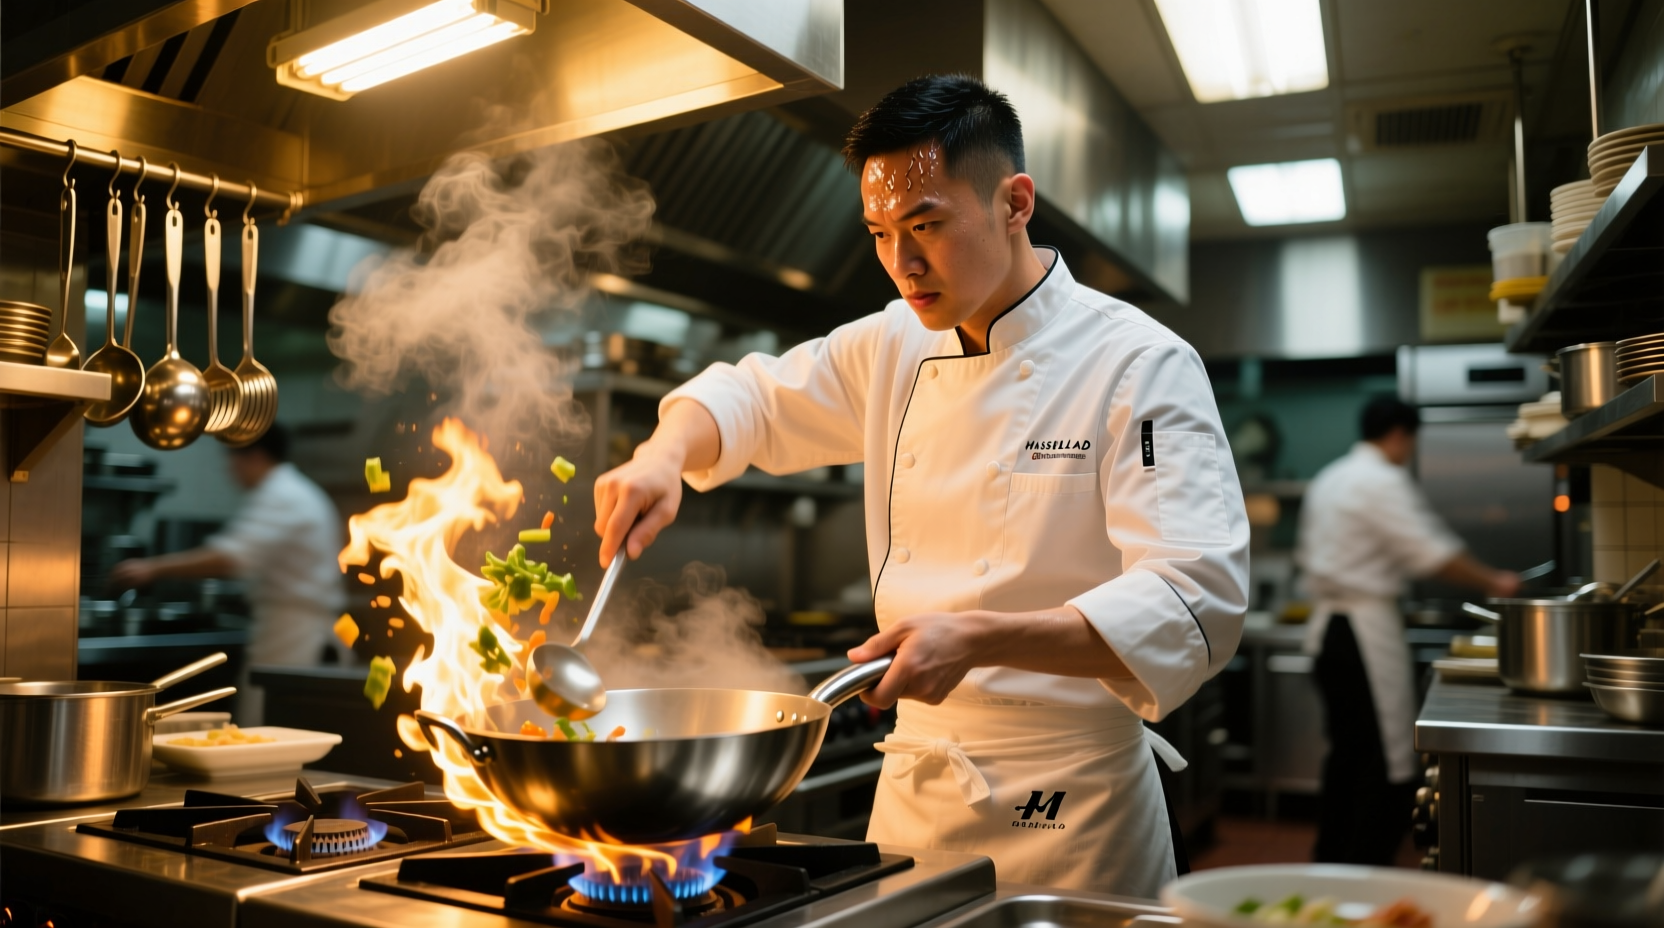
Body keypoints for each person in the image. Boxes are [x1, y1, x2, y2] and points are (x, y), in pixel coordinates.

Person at [590, 75, 1249, 897]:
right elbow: (752, 399)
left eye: (926, 225)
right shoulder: (896, 343)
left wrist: (980, 637)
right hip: (917, 791)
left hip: (1073, 803)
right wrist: (662, 452)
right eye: (878, 232)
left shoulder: (1138, 363)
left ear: (1015, 203)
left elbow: (1195, 599)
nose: (902, 263)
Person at [1296, 396, 1520, 865]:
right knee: (1381, 760)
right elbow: (1429, 553)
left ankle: (1331, 859)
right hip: (1361, 634)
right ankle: (1362, 868)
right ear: (1399, 434)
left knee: (1347, 755)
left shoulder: (1331, 476)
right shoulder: (1379, 480)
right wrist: (1495, 581)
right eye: (1411, 442)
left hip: (1327, 634)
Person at [109, 425, 347, 724]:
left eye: (232, 460)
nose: (230, 470)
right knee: (273, 725)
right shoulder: (294, 489)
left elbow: (230, 558)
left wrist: (152, 568)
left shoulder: (283, 493)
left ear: (254, 456)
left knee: (267, 727)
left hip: (293, 631)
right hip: (294, 626)